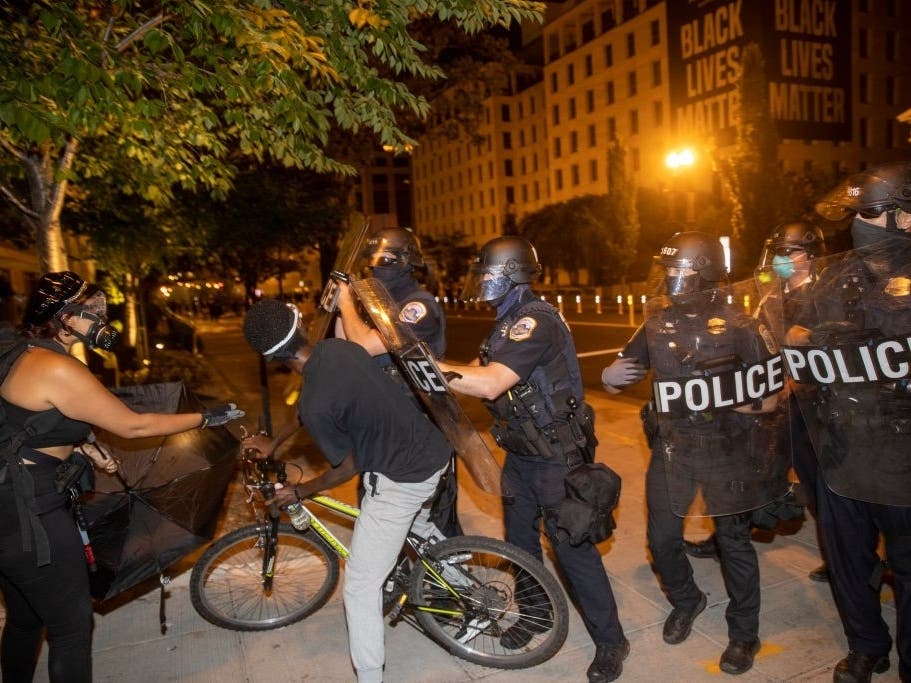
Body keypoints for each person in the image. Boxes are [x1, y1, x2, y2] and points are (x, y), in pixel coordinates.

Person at [0, 271, 243, 683]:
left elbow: (26, 419)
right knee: (72, 629)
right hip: (31, 514)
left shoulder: (23, 352)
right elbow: (134, 427)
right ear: (63, 317)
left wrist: (81, 444)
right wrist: (208, 416)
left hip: (9, 502)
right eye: (91, 312)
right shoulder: (57, 368)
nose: (101, 320)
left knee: (25, 617)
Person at [437, 236, 629, 683]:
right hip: (523, 456)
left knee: (572, 550)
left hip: (557, 459)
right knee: (520, 546)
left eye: (487, 275)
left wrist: (426, 362)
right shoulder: (506, 322)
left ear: (511, 276)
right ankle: (536, 616)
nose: (480, 282)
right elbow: (473, 370)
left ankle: (610, 640)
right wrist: (424, 373)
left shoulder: (534, 321)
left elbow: (489, 384)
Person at [601, 231, 784, 675]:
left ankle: (744, 634)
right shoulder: (658, 323)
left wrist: (740, 402)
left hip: (728, 451)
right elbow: (617, 378)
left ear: (704, 274)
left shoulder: (742, 325)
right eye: (666, 271)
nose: (670, 279)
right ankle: (688, 599)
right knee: (661, 540)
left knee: (734, 543)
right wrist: (609, 377)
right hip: (673, 449)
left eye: (678, 271)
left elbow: (774, 396)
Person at [242, 299, 451, 683]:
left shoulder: (317, 402)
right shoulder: (338, 350)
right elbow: (306, 411)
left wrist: (301, 492)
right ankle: (458, 573)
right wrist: (275, 442)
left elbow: (348, 465)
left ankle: (370, 677)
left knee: (358, 586)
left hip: (403, 478)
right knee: (415, 528)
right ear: (301, 324)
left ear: (270, 359)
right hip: (434, 453)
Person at [789, 162, 911, 683]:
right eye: (856, 214)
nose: (858, 224)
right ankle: (867, 645)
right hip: (842, 445)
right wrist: (812, 338)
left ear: (906, 218)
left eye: (869, 212)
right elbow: (797, 332)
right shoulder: (840, 276)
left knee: (907, 566)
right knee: (847, 560)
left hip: (903, 451)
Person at [684, 221, 830, 583]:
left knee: (819, 484)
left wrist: (788, 386)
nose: (779, 259)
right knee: (752, 471)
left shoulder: (823, 296)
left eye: (787, 252)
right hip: (775, 401)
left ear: (808, 256)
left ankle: (842, 555)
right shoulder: (775, 295)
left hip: (809, 406)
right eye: (777, 251)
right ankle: (729, 537)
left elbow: (821, 355)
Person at [335, 227, 460, 539]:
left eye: (384, 265)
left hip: (420, 431)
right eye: (373, 265)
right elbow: (347, 347)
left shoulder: (418, 305)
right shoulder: (375, 305)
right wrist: (339, 306)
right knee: (378, 518)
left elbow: (368, 346)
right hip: (381, 429)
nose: (377, 272)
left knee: (431, 524)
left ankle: (447, 586)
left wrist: (348, 304)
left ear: (406, 265)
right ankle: (395, 582)